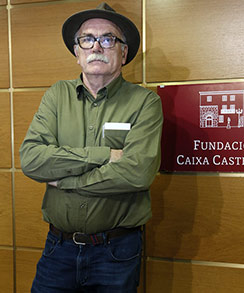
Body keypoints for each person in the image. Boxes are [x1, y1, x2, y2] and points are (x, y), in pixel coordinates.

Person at [20, 2, 163, 292]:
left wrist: (68, 180)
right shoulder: (56, 95)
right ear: (77, 52)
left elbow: (137, 173)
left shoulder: (145, 103)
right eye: (87, 39)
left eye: (107, 38)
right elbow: (32, 159)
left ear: (123, 53)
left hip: (116, 252)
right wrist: (104, 155)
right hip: (57, 249)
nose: (96, 46)